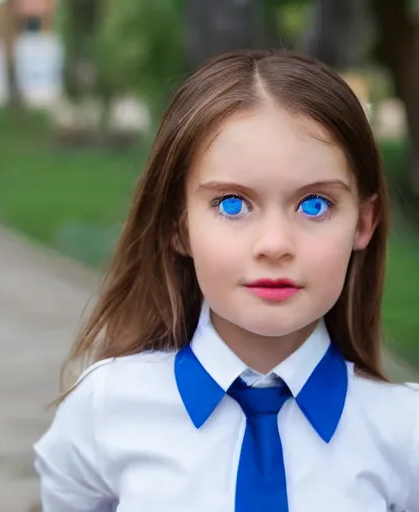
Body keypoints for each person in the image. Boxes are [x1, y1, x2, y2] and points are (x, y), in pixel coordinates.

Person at [33, 50, 419, 512]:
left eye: (314, 204)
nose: (275, 244)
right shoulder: (104, 410)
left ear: (363, 222)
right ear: (178, 224)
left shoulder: (404, 431)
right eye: (232, 204)